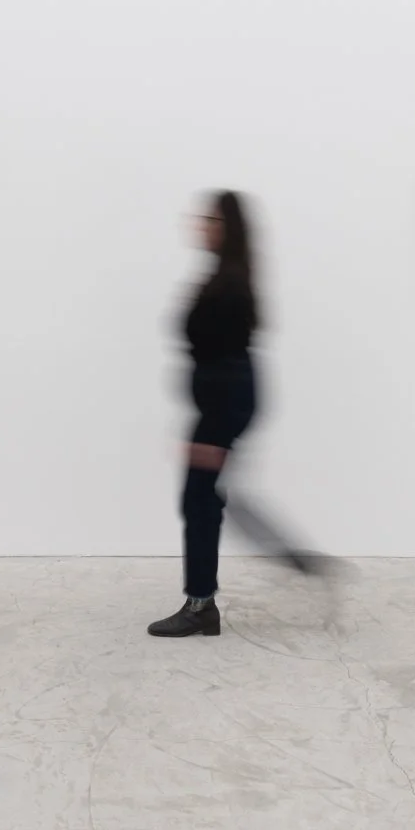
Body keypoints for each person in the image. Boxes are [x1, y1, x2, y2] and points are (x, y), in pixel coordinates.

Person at [148, 191, 326, 638]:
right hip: (221, 401)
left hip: (224, 402)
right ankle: (279, 566)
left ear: (228, 228)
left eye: (210, 219)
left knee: (201, 501)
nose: (200, 225)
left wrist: (213, 429)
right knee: (207, 498)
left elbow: (225, 359)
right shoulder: (225, 274)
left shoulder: (228, 281)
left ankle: (205, 604)